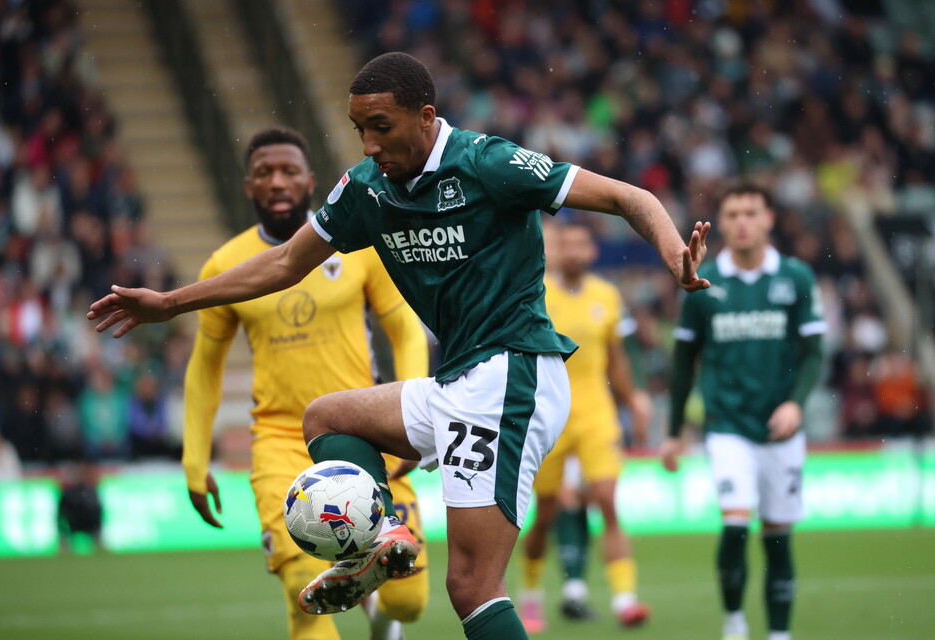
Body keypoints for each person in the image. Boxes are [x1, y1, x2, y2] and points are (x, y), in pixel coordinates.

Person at [89, 52, 710, 640]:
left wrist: (674, 257)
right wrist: (169, 304)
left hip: (511, 375)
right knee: (327, 418)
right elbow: (282, 264)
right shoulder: (366, 188)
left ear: (426, 118)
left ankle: (380, 543)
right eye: (358, 128)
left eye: (380, 127)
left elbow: (630, 197)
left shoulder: (487, 163)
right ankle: (379, 536)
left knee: (472, 586)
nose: (368, 144)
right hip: (459, 382)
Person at [181, 127, 430, 640]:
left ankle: (380, 613)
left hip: (365, 437)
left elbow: (404, 326)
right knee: (304, 586)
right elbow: (204, 366)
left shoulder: (359, 245)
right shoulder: (226, 265)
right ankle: (354, 586)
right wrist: (194, 458)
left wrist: (408, 416)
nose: (277, 182)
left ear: (311, 182)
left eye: (289, 171)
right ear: (248, 186)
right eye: (264, 173)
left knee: (407, 601)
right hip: (280, 443)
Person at [660, 183, 825, 640]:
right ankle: (734, 622)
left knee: (778, 535)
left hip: (780, 427)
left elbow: (814, 353)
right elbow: (682, 361)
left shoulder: (796, 278)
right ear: (721, 223)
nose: (741, 222)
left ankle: (778, 633)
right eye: (732, 214)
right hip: (727, 424)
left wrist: (796, 402)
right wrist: (673, 432)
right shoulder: (703, 282)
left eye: (751, 212)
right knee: (735, 523)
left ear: (769, 219)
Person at [519, 223, 649, 632]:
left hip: (595, 413)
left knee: (607, 502)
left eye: (581, 244)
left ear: (593, 251)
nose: (573, 252)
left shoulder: (607, 297)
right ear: (556, 251)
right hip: (547, 416)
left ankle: (625, 599)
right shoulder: (536, 294)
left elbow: (617, 360)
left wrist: (635, 400)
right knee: (545, 514)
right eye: (566, 244)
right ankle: (532, 595)